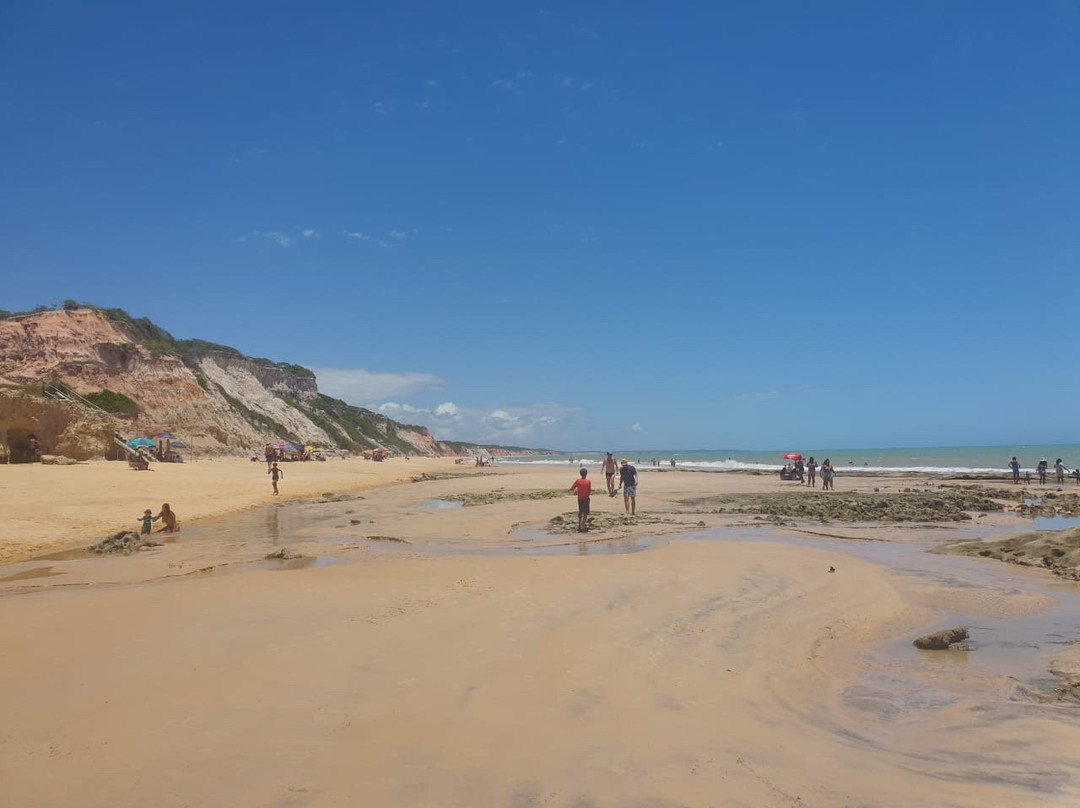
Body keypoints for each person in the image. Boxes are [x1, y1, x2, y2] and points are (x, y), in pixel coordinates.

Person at [569, 467, 592, 532]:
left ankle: (579, 524)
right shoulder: (588, 481)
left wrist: (570, 490)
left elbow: (572, 488)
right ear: (586, 474)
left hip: (580, 498)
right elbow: (589, 490)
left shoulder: (578, 481)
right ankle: (583, 524)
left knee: (580, 512)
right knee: (586, 513)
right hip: (586, 498)